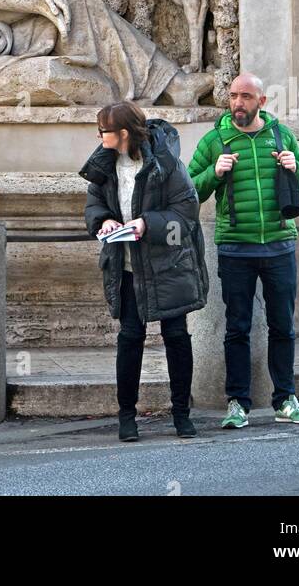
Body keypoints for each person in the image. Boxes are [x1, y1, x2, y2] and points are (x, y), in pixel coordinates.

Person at [188, 72, 299, 429]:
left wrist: (294, 168)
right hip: (235, 246)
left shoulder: (282, 135)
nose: (237, 103)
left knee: (283, 326)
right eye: (232, 96)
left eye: (245, 96)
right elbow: (188, 190)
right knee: (237, 327)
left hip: (279, 243)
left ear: (261, 102)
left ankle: (286, 399)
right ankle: (237, 402)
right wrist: (213, 173)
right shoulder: (215, 140)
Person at [80, 102, 208, 442]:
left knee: (176, 337)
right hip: (125, 267)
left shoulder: (165, 163)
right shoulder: (104, 164)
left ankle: (182, 414)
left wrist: (146, 225)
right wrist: (104, 220)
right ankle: (127, 416)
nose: (98, 135)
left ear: (123, 134)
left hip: (168, 266)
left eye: (103, 130)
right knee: (130, 338)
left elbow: (186, 214)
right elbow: (93, 203)